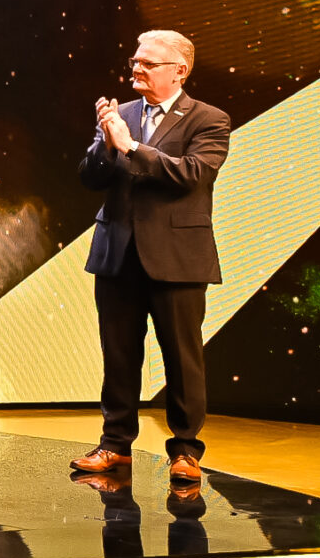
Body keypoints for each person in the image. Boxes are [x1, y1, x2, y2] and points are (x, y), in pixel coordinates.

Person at [71, 29, 229, 486]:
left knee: (182, 358)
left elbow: (192, 175)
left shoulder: (209, 119)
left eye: (148, 63)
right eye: (135, 61)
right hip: (117, 253)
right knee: (119, 356)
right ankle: (115, 445)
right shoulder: (119, 115)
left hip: (177, 259)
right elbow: (90, 178)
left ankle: (186, 451)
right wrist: (106, 143)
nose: (136, 69)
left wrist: (131, 147)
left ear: (180, 70)